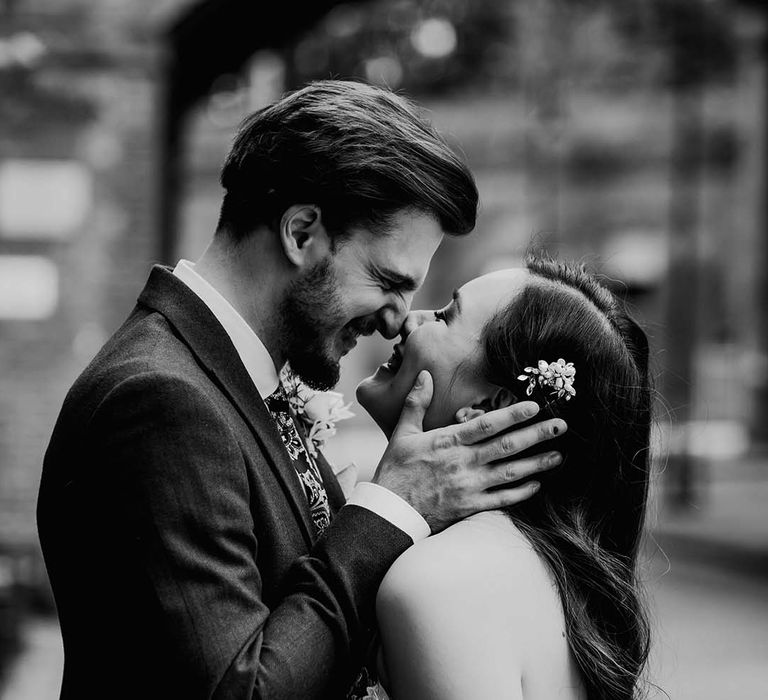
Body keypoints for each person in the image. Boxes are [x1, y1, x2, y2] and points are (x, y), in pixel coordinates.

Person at [37, 81, 565, 699]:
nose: (397, 319)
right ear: (301, 232)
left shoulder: (236, 381)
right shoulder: (160, 400)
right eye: (388, 281)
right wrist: (392, 511)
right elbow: (241, 691)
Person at [357, 255, 652, 700]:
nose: (408, 319)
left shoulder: (441, 583)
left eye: (445, 315)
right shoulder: (546, 567)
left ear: (493, 407)